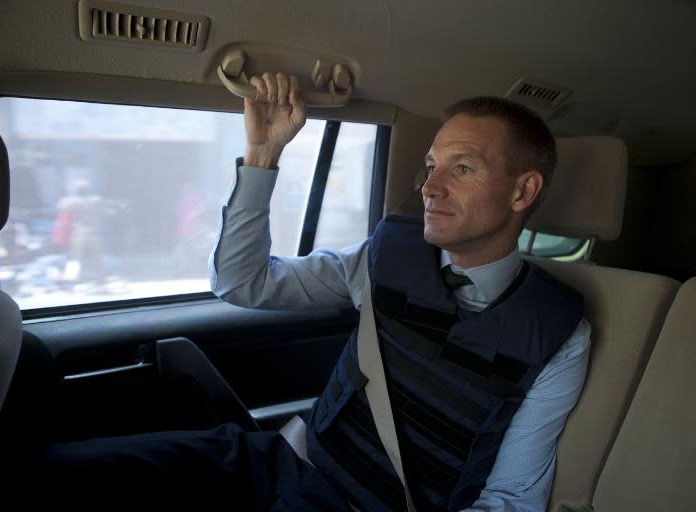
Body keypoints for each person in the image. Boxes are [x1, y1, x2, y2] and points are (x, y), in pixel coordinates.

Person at [36, 73, 590, 512]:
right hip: (282, 462)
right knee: (57, 473)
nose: (429, 187)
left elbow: (511, 499)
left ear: (524, 190)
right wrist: (262, 157)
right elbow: (242, 281)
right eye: (429, 167)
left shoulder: (556, 331)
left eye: (461, 168)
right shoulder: (385, 258)